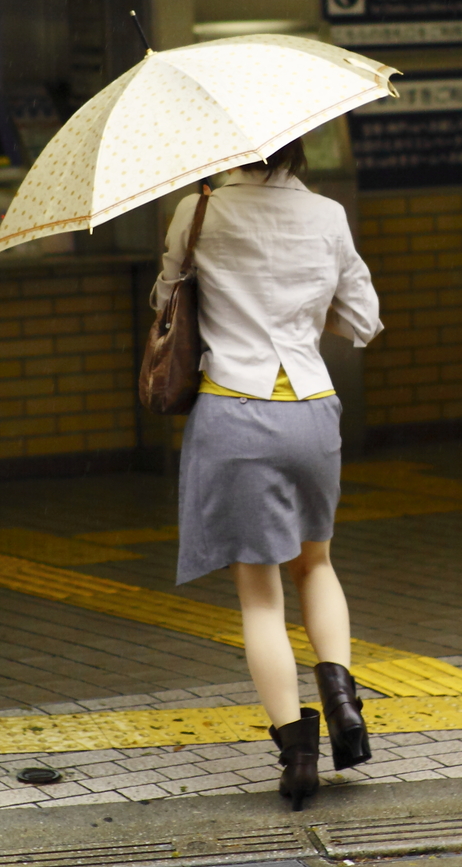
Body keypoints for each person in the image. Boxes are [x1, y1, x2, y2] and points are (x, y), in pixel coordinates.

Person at [150, 138, 383, 811]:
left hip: (235, 413)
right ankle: (342, 697)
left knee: (260, 598)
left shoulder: (198, 214)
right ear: (297, 146)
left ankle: (297, 751)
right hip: (312, 411)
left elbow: (166, 301)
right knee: (317, 565)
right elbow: (364, 323)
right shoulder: (329, 215)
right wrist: (305, 314)